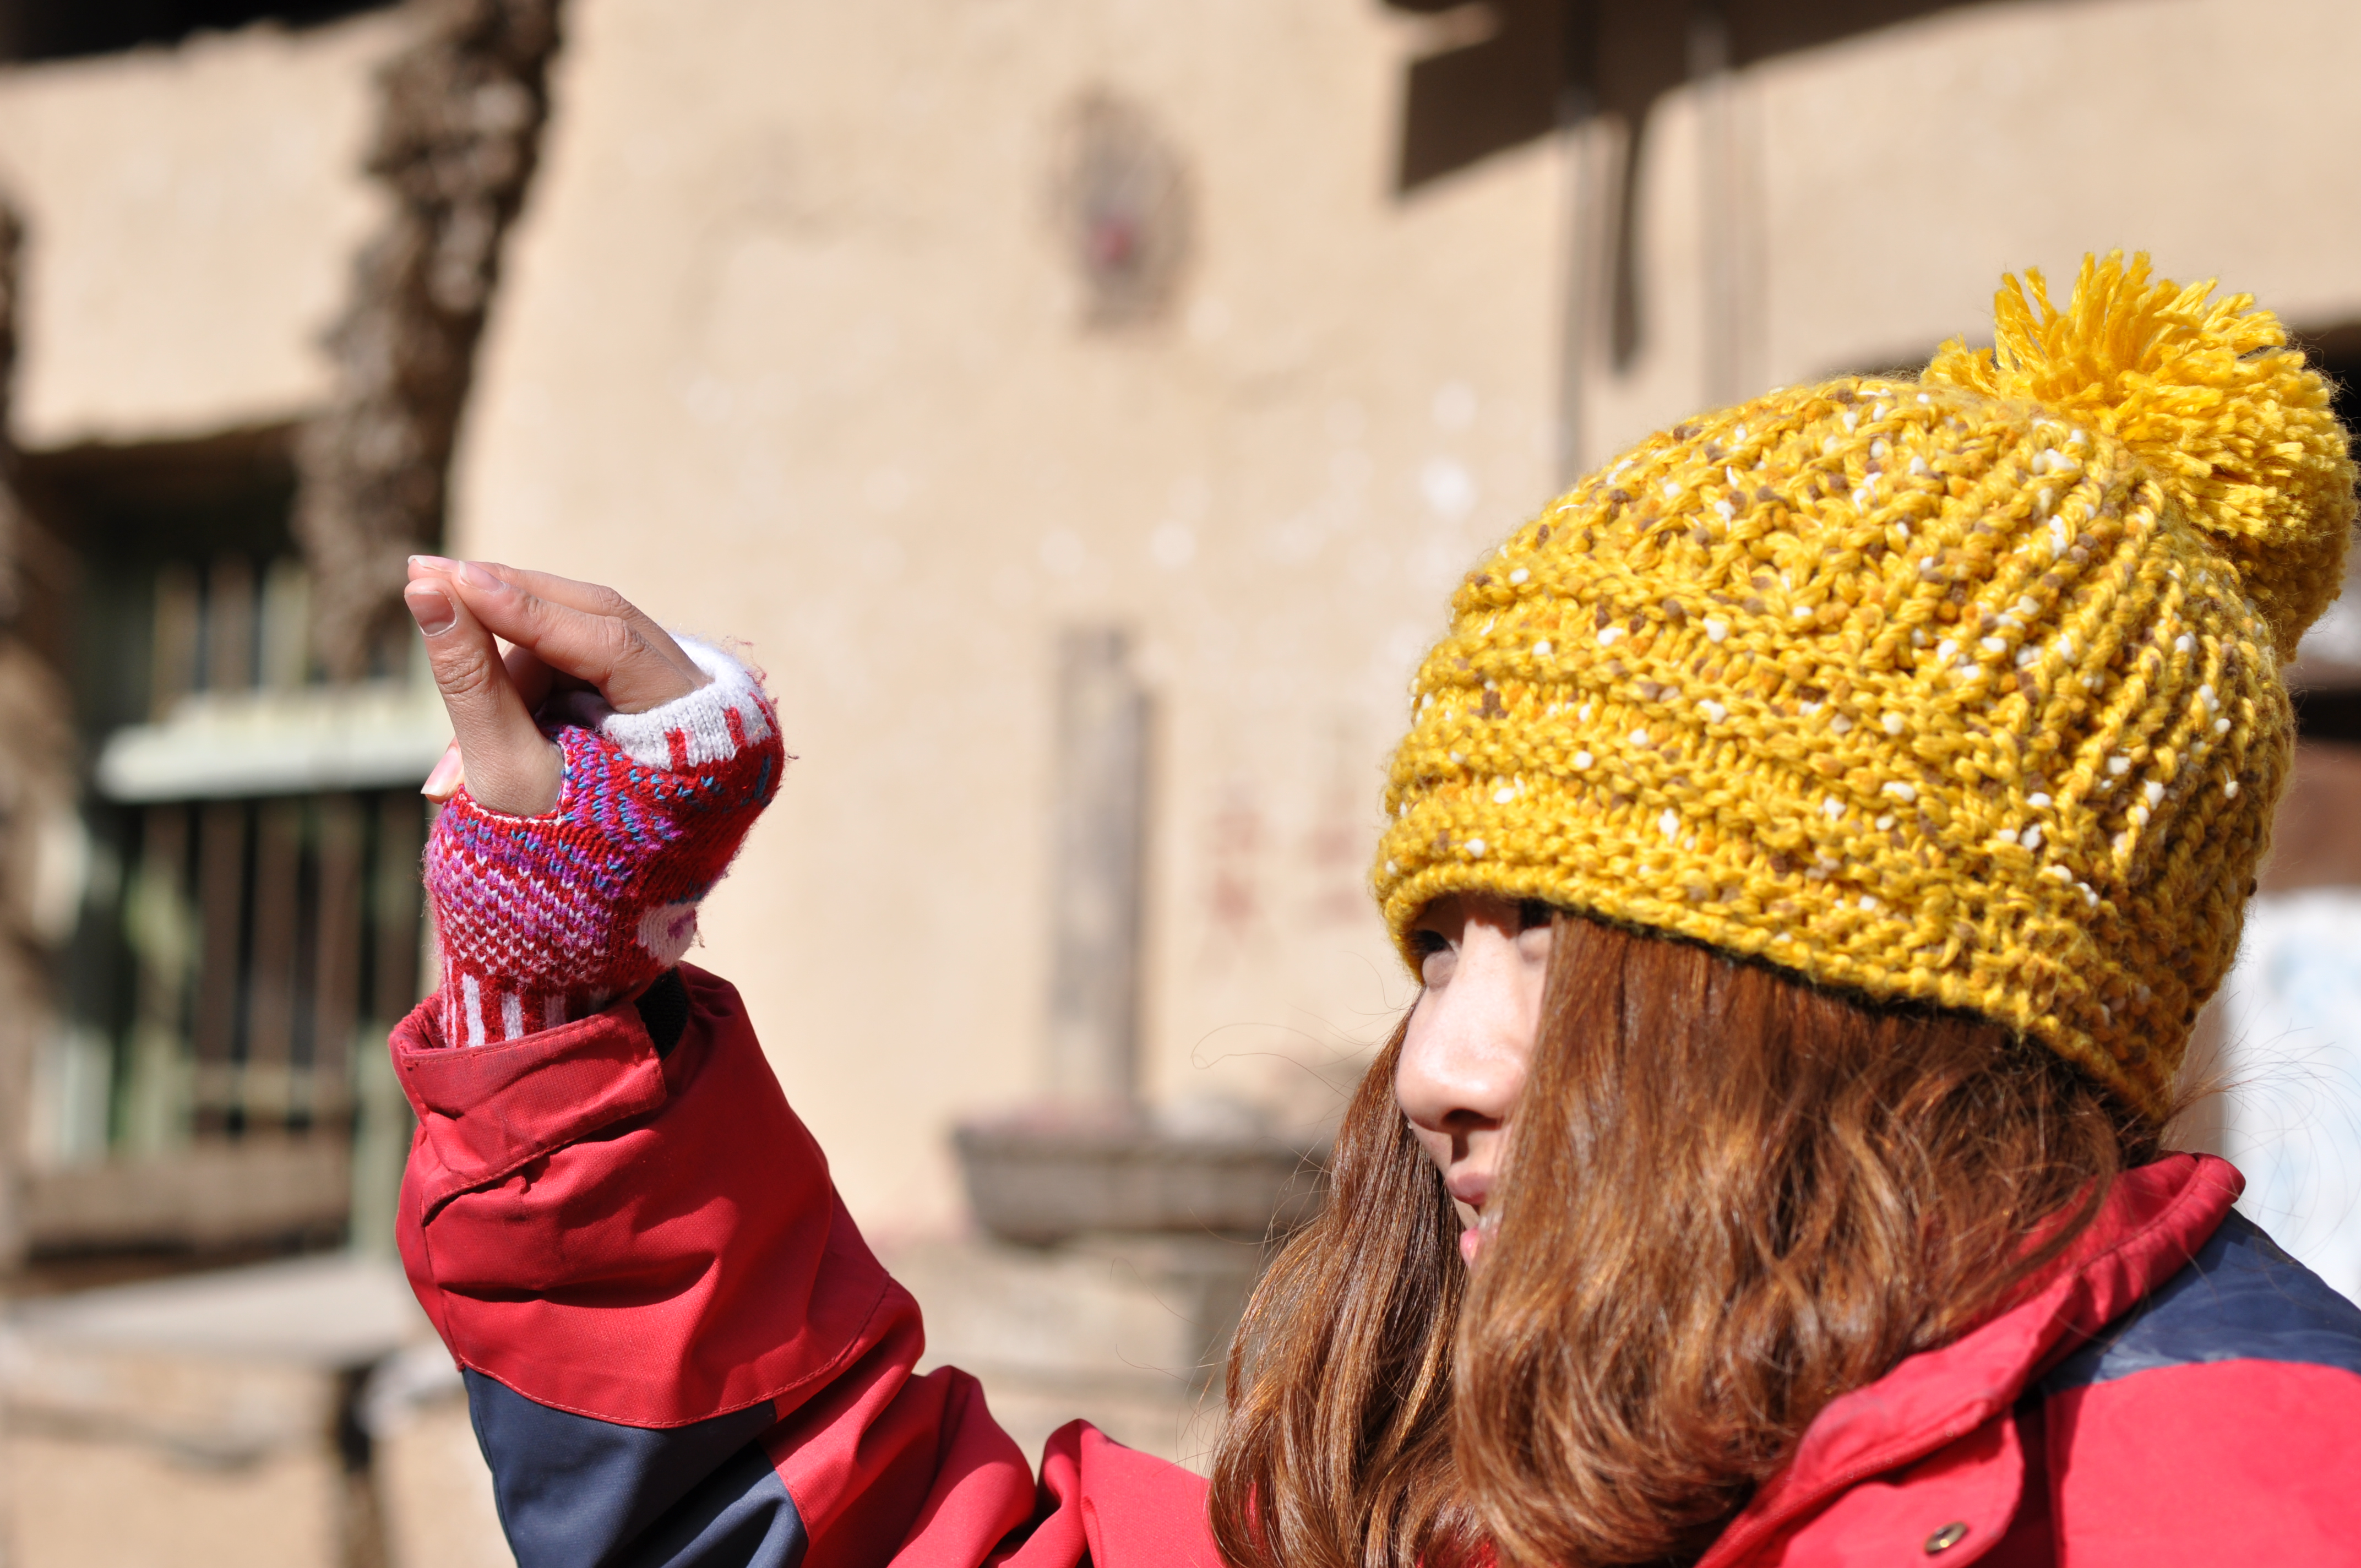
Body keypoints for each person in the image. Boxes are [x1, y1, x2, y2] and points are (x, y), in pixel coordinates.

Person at [394, 253, 2361, 1568]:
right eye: (1444, 940)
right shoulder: (1513, 1477)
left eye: (1575, 946)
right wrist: (564, 980)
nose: (1438, 1060)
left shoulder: (2272, 1501)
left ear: (1907, 1011)